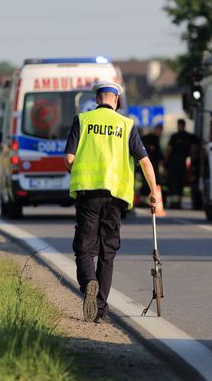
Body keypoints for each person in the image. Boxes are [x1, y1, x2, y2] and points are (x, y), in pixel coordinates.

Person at [65, 80, 161, 323]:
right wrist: (153, 192)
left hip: (88, 194)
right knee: (108, 252)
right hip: (115, 197)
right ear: (116, 100)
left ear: (97, 99)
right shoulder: (127, 125)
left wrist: (77, 172)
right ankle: (99, 310)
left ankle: (89, 282)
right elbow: (145, 162)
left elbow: (68, 158)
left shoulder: (82, 121)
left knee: (84, 248)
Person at [164, 119, 198, 209]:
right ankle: (177, 203)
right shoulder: (189, 136)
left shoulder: (174, 137)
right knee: (180, 183)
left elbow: (169, 150)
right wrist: (192, 156)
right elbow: (194, 146)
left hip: (173, 163)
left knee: (173, 183)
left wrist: (165, 161)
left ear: (179, 125)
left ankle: (174, 203)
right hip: (182, 163)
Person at [139, 124, 164, 199]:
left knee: (147, 182)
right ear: (156, 130)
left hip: (147, 163)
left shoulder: (150, 138)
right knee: (150, 182)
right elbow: (158, 153)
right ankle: (149, 198)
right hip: (150, 163)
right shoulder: (153, 138)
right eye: (159, 131)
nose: (160, 133)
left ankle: (146, 198)